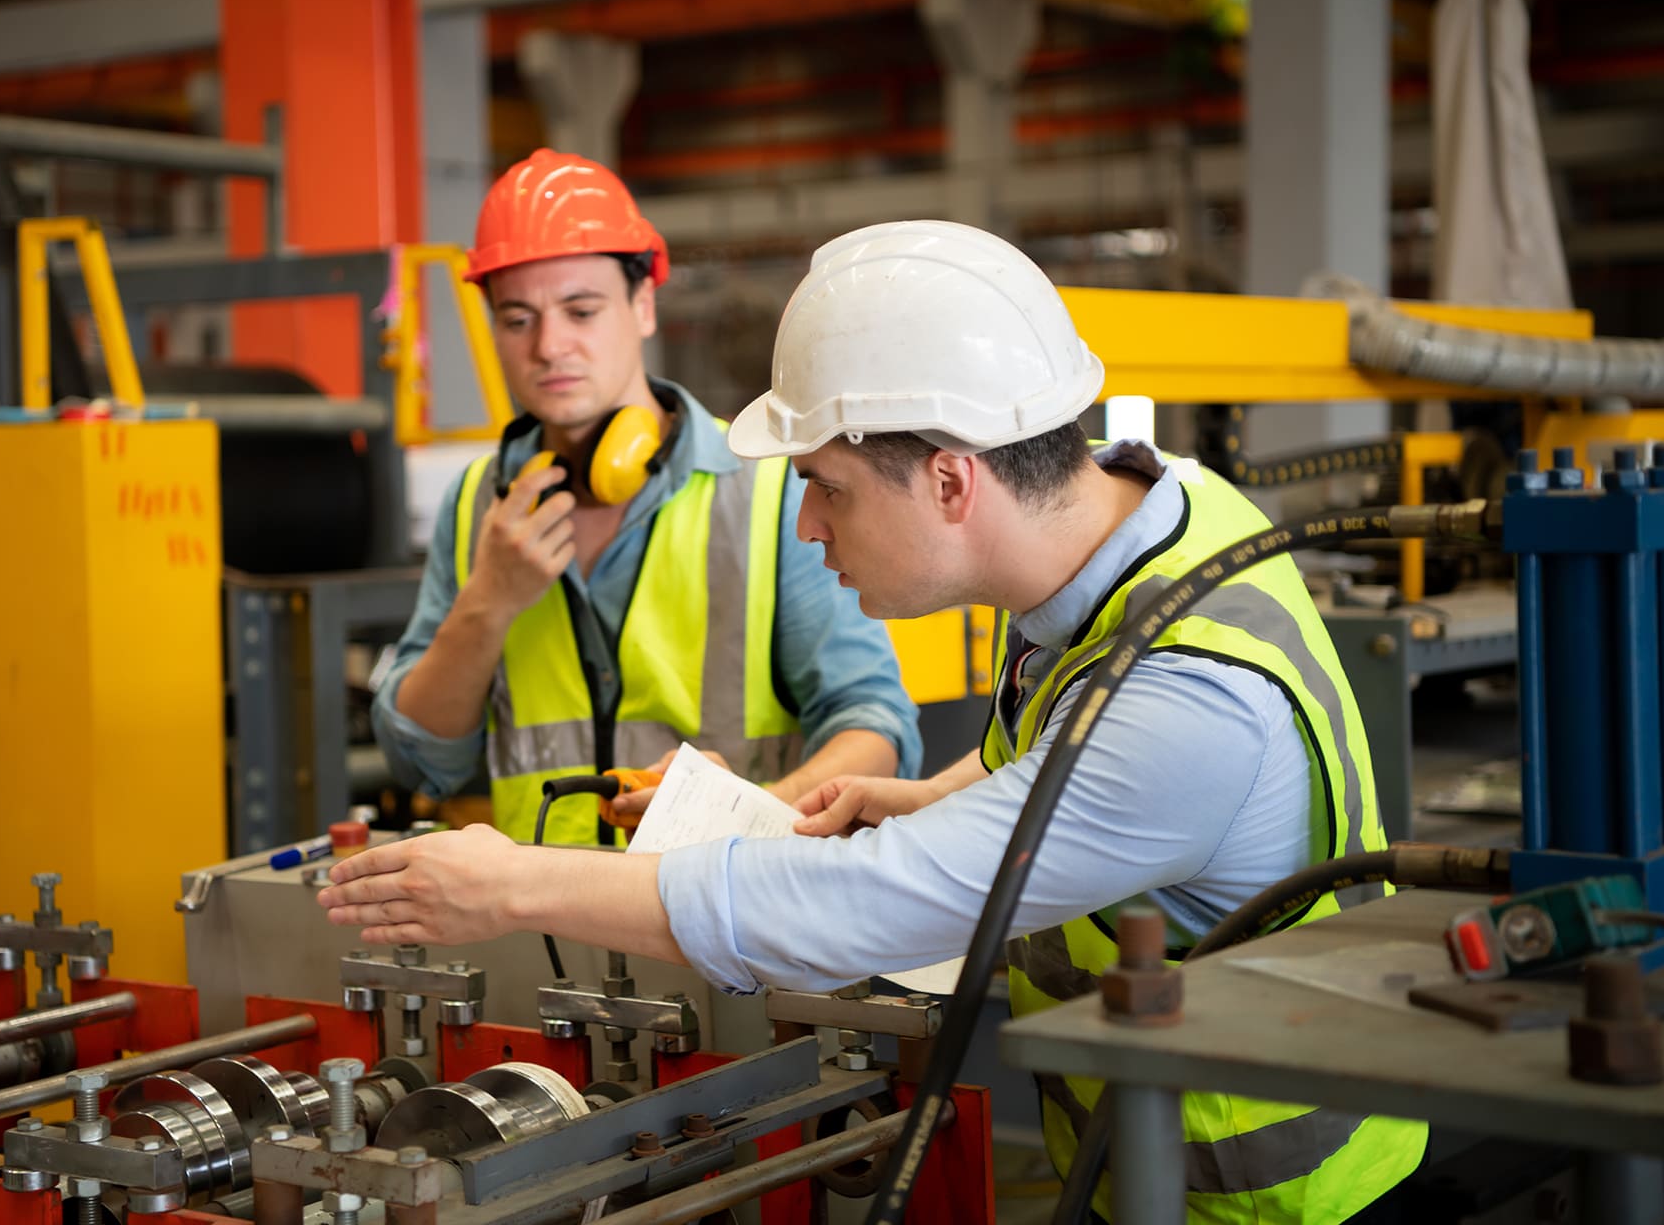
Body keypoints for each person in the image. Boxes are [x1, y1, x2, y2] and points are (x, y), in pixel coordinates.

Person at [333, 220, 1426, 1220]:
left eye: (829, 486)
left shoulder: (1187, 708)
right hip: (1146, 1154)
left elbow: (870, 904)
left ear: (952, 480)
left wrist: (507, 882)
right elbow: (1055, 748)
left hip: (1265, 1195)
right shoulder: (1149, 513)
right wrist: (922, 794)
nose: (806, 524)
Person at [374, 149, 920, 846]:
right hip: (545, 930)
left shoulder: (766, 488)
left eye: (580, 310)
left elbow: (874, 725)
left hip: (728, 923)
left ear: (642, 304)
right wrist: (489, 601)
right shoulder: (476, 506)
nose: (549, 345)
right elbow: (423, 763)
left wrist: (747, 818)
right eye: (517, 319)